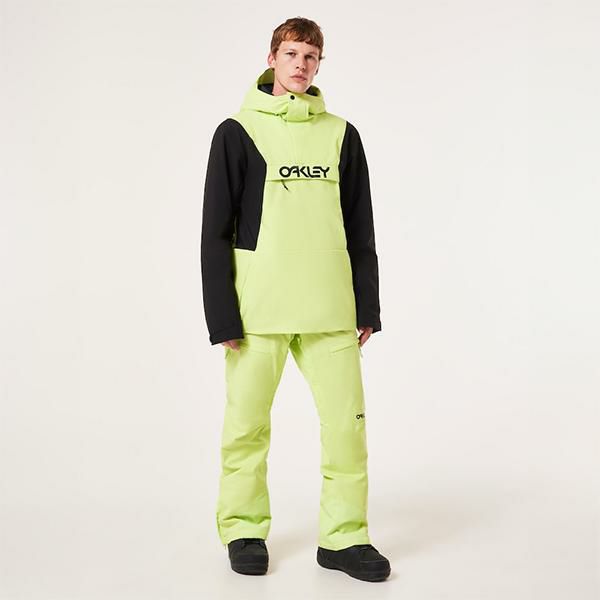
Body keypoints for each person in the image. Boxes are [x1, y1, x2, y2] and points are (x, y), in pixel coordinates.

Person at [200, 16, 390, 582]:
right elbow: (214, 231)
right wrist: (222, 316)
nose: (301, 65)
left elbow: (360, 226)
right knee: (247, 427)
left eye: (311, 56)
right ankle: (243, 529)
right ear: (272, 59)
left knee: (347, 428)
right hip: (257, 311)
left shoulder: (341, 134)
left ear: (319, 64)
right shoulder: (237, 131)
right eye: (291, 54)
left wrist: (367, 306)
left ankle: (344, 538)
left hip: (330, 307)